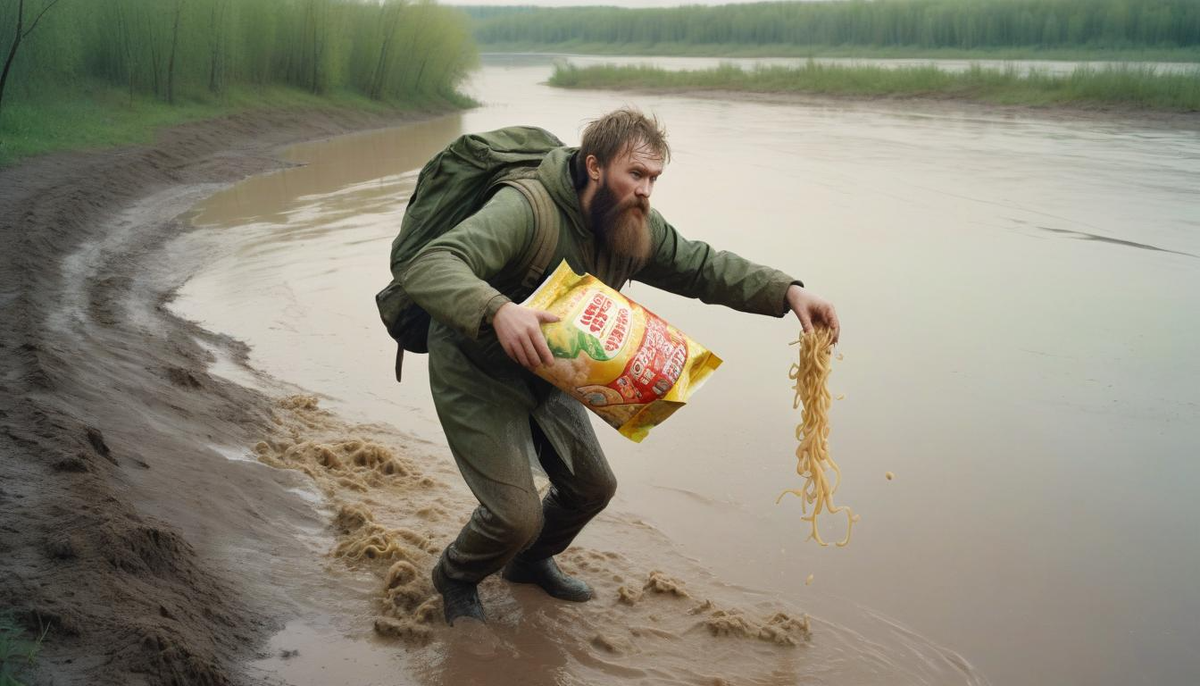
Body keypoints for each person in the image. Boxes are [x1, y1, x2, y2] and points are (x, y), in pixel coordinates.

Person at [400, 108, 840, 626]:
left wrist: (788, 293)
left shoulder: (632, 224)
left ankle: (529, 562)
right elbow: (429, 263)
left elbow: (703, 266)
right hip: (475, 365)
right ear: (594, 166)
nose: (646, 190)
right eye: (635, 174)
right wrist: (497, 310)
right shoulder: (524, 209)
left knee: (592, 489)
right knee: (514, 517)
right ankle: (456, 577)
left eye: (654, 177)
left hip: (551, 366)